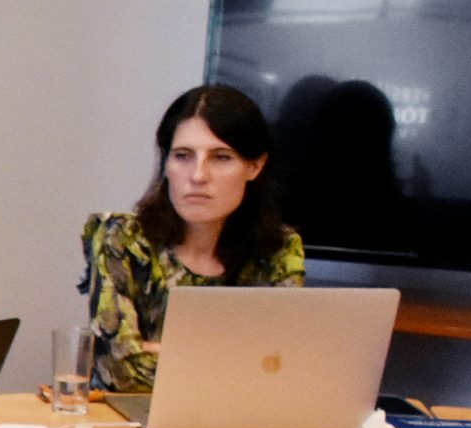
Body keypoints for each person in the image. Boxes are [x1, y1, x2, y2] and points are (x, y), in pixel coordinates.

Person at [81, 83, 305, 392]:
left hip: (232, 420)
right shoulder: (121, 238)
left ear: (255, 166)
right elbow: (121, 372)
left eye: (221, 157)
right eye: (183, 155)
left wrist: (159, 352)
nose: (198, 175)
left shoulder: (279, 249)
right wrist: (235, 362)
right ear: (166, 163)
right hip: (127, 420)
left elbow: (275, 372)